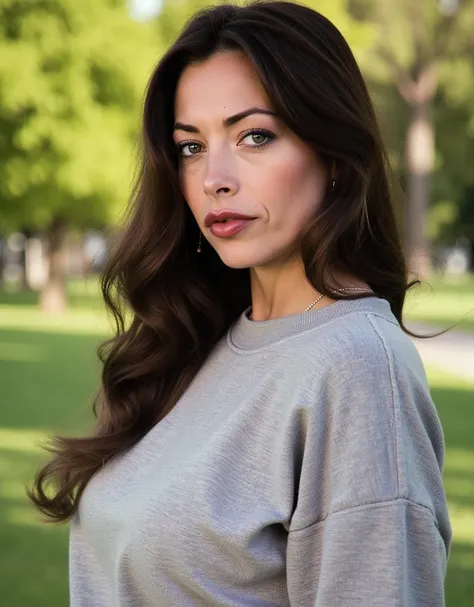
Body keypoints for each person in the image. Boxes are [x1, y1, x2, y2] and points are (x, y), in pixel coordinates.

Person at [29, 1, 452, 605]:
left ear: (333, 152)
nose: (214, 178)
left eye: (255, 136)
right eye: (191, 146)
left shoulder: (358, 368)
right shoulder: (201, 341)